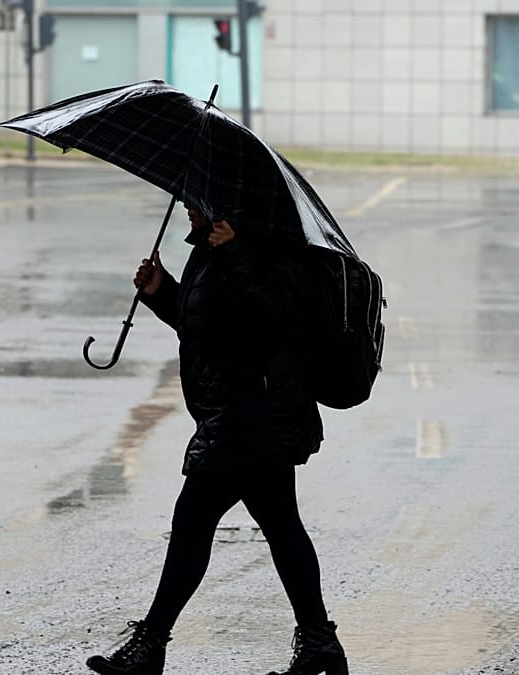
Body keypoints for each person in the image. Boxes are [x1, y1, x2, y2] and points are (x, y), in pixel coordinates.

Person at [85, 206, 347, 675]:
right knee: (280, 525)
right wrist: (161, 291)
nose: (187, 204)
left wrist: (236, 253)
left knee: (194, 521)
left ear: (223, 201)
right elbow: (210, 326)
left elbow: (272, 316)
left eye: (196, 198)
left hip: (254, 414)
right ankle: (319, 644)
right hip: (236, 412)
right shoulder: (212, 250)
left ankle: (150, 646)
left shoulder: (268, 244)